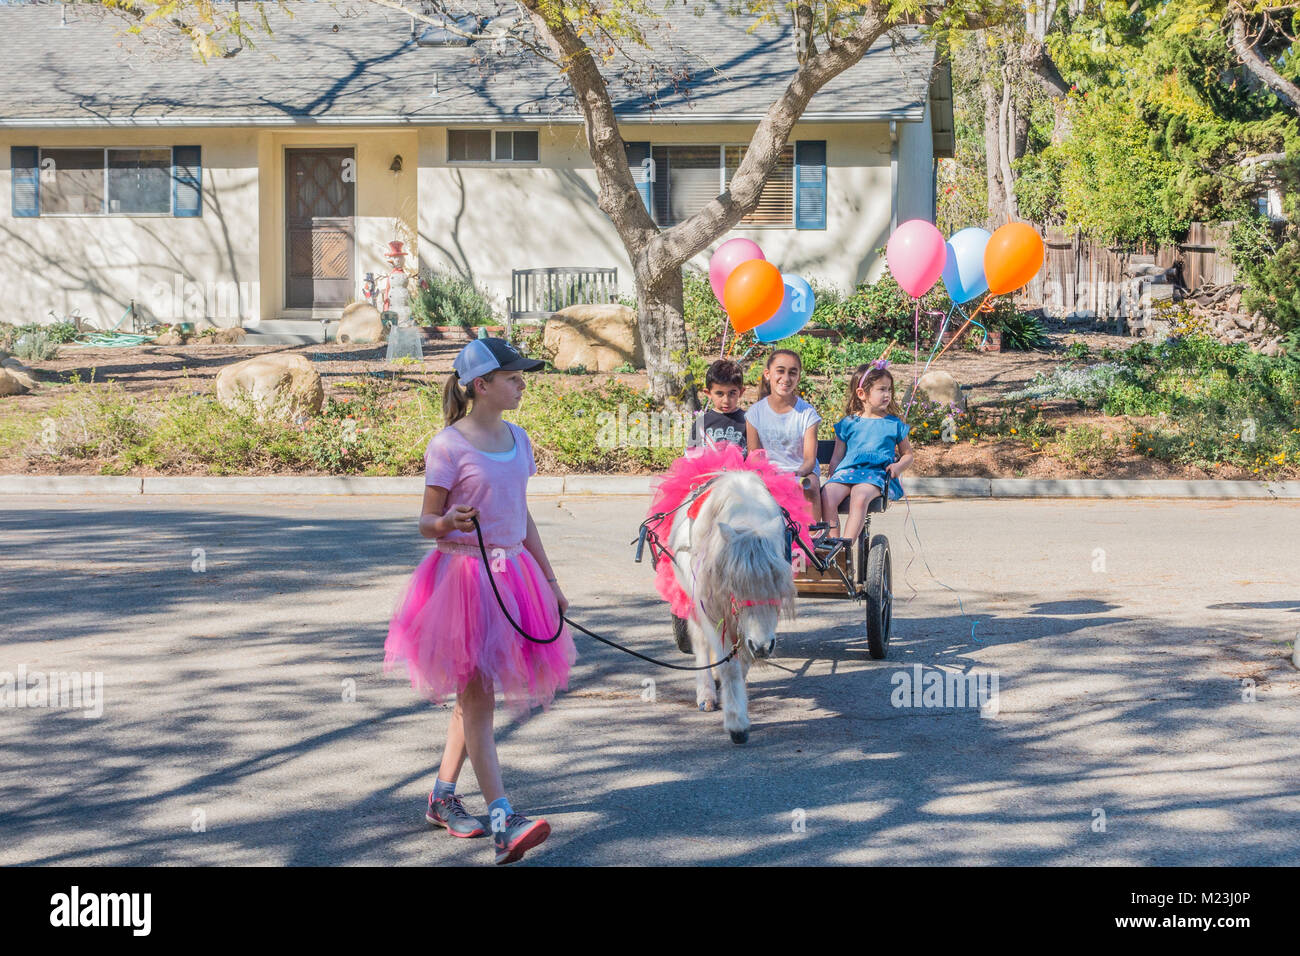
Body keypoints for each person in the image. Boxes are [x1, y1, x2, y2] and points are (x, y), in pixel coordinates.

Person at [384, 337, 576, 865]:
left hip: (514, 577)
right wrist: (447, 522)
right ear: (481, 385)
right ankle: (502, 819)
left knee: (476, 698)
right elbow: (427, 522)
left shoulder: (519, 438)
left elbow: (523, 515)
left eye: (521, 375)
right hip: (464, 583)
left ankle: (443, 798)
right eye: (512, 376)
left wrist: (551, 581)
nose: (521, 383)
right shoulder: (449, 445)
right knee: (478, 699)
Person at [821, 360, 915, 548]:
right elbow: (837, 457)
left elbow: (908, 455)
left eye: (889, 389)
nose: (887, 394)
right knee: (827, 494)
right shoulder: (848, 423)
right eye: (881, 389)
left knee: (860, 495)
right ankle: (832, 545)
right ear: (862, 394)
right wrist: (833, 476)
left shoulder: (893, 424)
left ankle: (845, 545)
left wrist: (898, 466)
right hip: (847, 473)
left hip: (875, 475)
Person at [745, 348, 823, 524]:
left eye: (792, 373)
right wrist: (770, 475)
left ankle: (812, 539)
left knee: (810, 485)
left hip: (800, 471)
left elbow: (809, 460)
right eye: (780, 371)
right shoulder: (755, 413)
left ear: (798, 378)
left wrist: (796, 474)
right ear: (767, 374)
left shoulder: (806, 413)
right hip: (769, 473)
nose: (786, 378)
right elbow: (755, 455)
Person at [689, 359, 748, 454]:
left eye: (732, 393)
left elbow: (755, 454)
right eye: (719, 394)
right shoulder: (701, 423)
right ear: (708, 393)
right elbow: (692, 455)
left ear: (741, 392)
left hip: (740, 468)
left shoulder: (748, 421)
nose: (726, 400)